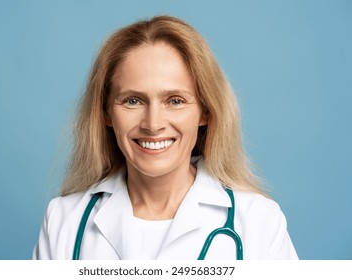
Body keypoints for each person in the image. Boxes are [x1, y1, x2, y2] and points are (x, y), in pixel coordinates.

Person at [33, 15, 298, 260]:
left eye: (175, 100)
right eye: (133, 101)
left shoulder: (258, 221)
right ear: (106, 113)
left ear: (205, 111)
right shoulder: (64, 220)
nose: (153, 124)